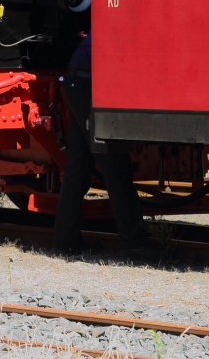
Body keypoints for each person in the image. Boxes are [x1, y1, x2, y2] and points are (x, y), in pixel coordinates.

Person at [53, 33, 154, 255]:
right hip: (89, 85)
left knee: (78, 167)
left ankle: (66, 242)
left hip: (75, 82)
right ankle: (135, 243)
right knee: (115, 166)